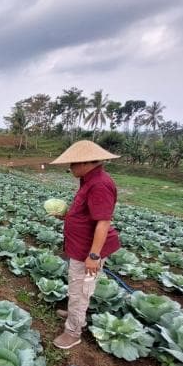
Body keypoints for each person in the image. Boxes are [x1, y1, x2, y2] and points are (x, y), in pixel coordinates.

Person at [49, 140, 121, 349]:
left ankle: (73, 332)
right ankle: (75, 315)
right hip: (80, 246)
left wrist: (94, 256)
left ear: (85, 162)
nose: (70, 168)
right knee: (77, 288)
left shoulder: (100, 184)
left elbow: (103, 222)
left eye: (72, 163)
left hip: (88, 251)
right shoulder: (89, 180)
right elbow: (87, 215)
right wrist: (66, 217)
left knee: (80, 291)